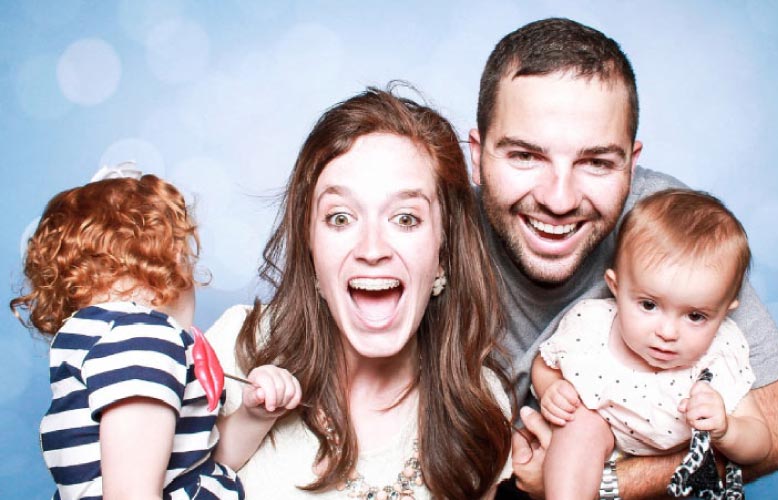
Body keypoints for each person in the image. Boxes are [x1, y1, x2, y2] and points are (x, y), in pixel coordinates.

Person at [467, 17, 778, 499]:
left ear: (632, 164)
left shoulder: (667, 229)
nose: (560, 199)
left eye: (596, 162)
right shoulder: (425, 227)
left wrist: (603, 485)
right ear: (477, 154)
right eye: (525, 155)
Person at [206, 87, 512, 499]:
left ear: (443, 251)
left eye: (405, 218)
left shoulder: (480, 403)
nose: (372, 250)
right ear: (310, 245)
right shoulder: (237, 349)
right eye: (340, 217)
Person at [11, 169, 300, 499]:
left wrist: (254, 415)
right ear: (166, 267)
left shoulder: (94, 340)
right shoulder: (141, 340)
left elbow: (199, 464)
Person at [531, 189, 771, 499]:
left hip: (668, 478)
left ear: (725, 313)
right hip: (599, 439)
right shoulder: (590, 327)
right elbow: (546, 361)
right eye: (648, 305)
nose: (668, 332)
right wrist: (551, 387)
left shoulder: (717, 357)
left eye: (696, 316)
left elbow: (761, 444)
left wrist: (727, 429)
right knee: (580, 425)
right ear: (616, 287)